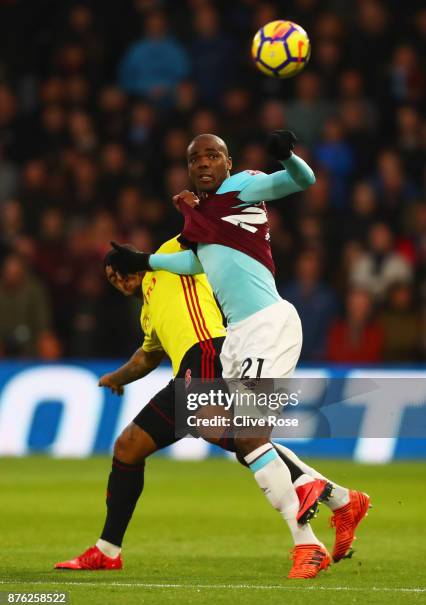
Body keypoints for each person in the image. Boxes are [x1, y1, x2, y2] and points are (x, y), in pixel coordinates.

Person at [111, 132, 370, 577]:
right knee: (236, 439)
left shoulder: (243, 186)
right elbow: (197, 263)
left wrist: (286, 155)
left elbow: (300, 181)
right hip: (240, 338)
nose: (204, 162)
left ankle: (306, 544)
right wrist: (147, 261)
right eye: (195, 158)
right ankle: (341, 500)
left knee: (248, 436)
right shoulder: (204, 217)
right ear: (188, 168)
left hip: (269, 324)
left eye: (213, 155)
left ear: (228, 162)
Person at [55, 236, 333, 573]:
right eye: (111, 278)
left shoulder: (168, 257)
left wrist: (188, 210)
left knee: (230, 434)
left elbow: (198, 232)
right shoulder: (148, 313)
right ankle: (107, 550)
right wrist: (117, 378)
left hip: (208, 351)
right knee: (128, 446)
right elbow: (147, 356)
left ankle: (308, 486)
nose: (119, 280)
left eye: (120, 270)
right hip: (183, 372)